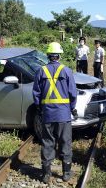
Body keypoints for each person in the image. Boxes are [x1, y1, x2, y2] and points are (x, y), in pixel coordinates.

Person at [33, 42, 77, 184]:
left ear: (48, 55)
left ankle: (46, 174)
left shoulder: (41, 71)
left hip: (47, 114)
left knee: (47, 143)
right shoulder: (67, 71)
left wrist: (40, 108)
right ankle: (66, 173)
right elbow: (73, 93)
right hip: (63, 114)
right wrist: (72, 108)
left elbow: (36, 93)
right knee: (65, 143)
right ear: (59, 55)